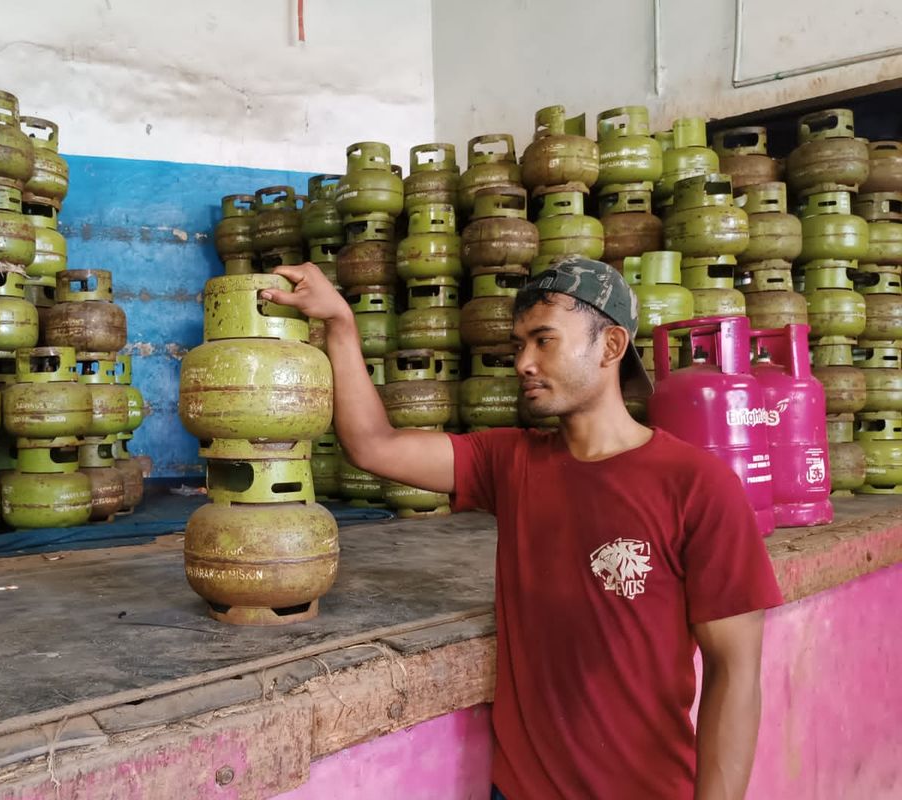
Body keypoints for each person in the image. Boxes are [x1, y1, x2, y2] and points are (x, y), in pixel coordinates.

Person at [261, 256, 784, 800]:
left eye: (544, 340)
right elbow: (374, 446)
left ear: (610, 346)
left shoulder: (696, 485)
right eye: (518, 345)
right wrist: (341, 325)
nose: (523, 363)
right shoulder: (509, 461)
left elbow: (736, 672)